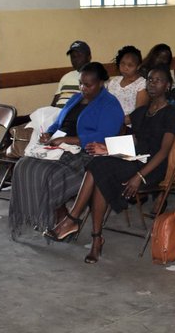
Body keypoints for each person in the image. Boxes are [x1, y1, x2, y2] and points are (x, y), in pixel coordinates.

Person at [50, 65, 175, 263]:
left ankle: (77, 223)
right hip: (132, 158)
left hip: (152, 168)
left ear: (168, 85)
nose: (152, 84)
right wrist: (107, 147)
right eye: (150, 80)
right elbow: (127, 132)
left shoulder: (172, 114)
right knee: (100, 164)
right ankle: (91, 234)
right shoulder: (142, 112)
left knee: (101, 169)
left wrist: (139, 177)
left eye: (158, 80)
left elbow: (163, 152)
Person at [11, 62, 125, 239]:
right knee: (23, 166)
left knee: (49, 173)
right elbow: (59, 122)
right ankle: (58, 214)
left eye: (88, 85)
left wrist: (67, 140)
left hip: (86, 151)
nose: (82, 88)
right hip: (60, 146)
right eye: (81, 83)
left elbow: (104, 136)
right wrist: (48, 134)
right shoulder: (76, 99)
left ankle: (61, 217)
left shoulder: (109, 104)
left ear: (101, 83)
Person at [107, 45, 147, 120]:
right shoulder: (114, 81)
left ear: (138, 66)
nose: (125, 68)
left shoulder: (142, 84)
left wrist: (119, 122)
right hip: (109, 120)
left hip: (128, 125)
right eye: (122, 64)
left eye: (130, 65)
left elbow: (139, 113)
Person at [56, 40, 91, 105]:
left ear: (89, 57)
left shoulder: (95, 77)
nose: (75, 60)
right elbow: (54, 103)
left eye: (79, 56)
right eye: (73, 57)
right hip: (58, 113)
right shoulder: (66, 77)